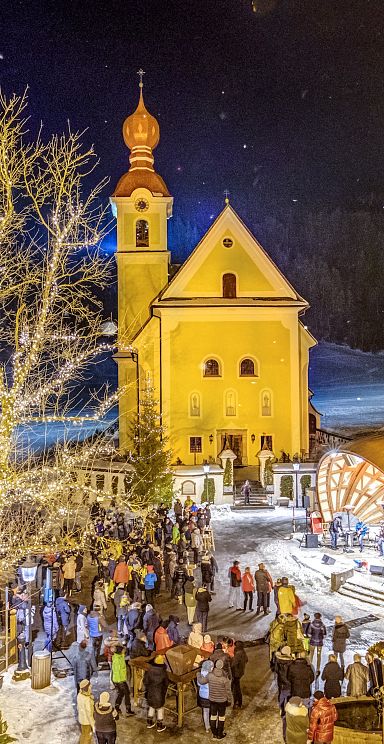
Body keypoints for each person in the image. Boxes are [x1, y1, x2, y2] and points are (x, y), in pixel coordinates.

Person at [208, 659, 233, 739]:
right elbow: (228, 691)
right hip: (222, 701)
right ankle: (220, 733)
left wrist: (198, 675)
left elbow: (202, 681)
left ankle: (214, 733)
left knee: (213, 716)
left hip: (212, 699)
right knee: (221, 717)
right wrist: (229, 700)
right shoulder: (225, 679)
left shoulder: (210, 675)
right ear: (222, 666)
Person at [144, 654, 169, 732]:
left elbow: (145, 681)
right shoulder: (163, 673)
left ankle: (149, 722)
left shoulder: (149, 670)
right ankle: (159, 726)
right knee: (160, 709)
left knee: (151, 706)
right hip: (159, 694)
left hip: (150, 693)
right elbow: (166, 683)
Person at [111, 645, 134, 716]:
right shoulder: (117, 660)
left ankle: (117, 707)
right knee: (127, 693)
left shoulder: (119, 656)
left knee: (121, 693)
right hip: (119, 680)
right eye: (123, 650)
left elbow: (123, 655)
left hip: (117, 679)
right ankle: (128, 709)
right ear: (119, 651)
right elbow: (117, 671)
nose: (124, 651)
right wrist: (120, 681)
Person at [274, 645, 292, 717]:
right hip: (289, 682)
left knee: (281, 695)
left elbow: (276, 670)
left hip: (281, 681)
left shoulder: (278, 661)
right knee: (288, 696)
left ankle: (281, 708)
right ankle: (287, 709)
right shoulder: (291, 663)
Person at [197, 659, 214, 732]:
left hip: (202, 696)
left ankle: (207, 727)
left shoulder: (200, 674)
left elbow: (199, 684)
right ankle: (212, 725)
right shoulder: (211, 675)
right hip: (210, 695)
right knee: (212, 711)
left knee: (205, 711)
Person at [230, 640, 248, 708]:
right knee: (236, 687)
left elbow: (233, 664)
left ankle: (237, 703)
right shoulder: (243, 652)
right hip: (240, 672)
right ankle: (239, 703)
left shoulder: (238, 654)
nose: (234, 646)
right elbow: (246, 659)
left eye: (235, 645)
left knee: (236, 689)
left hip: (236, 673)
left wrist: (231, 659)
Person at [77, 679, 95, 744]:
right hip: (87, 722)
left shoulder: (79, 695)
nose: (91, 686)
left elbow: (78, 708)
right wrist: (93, 725)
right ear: (86, 687)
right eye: (89, 685)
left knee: (84, 734)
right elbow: (89, 713)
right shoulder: (87, 699)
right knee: (87, 737)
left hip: (82, 720)